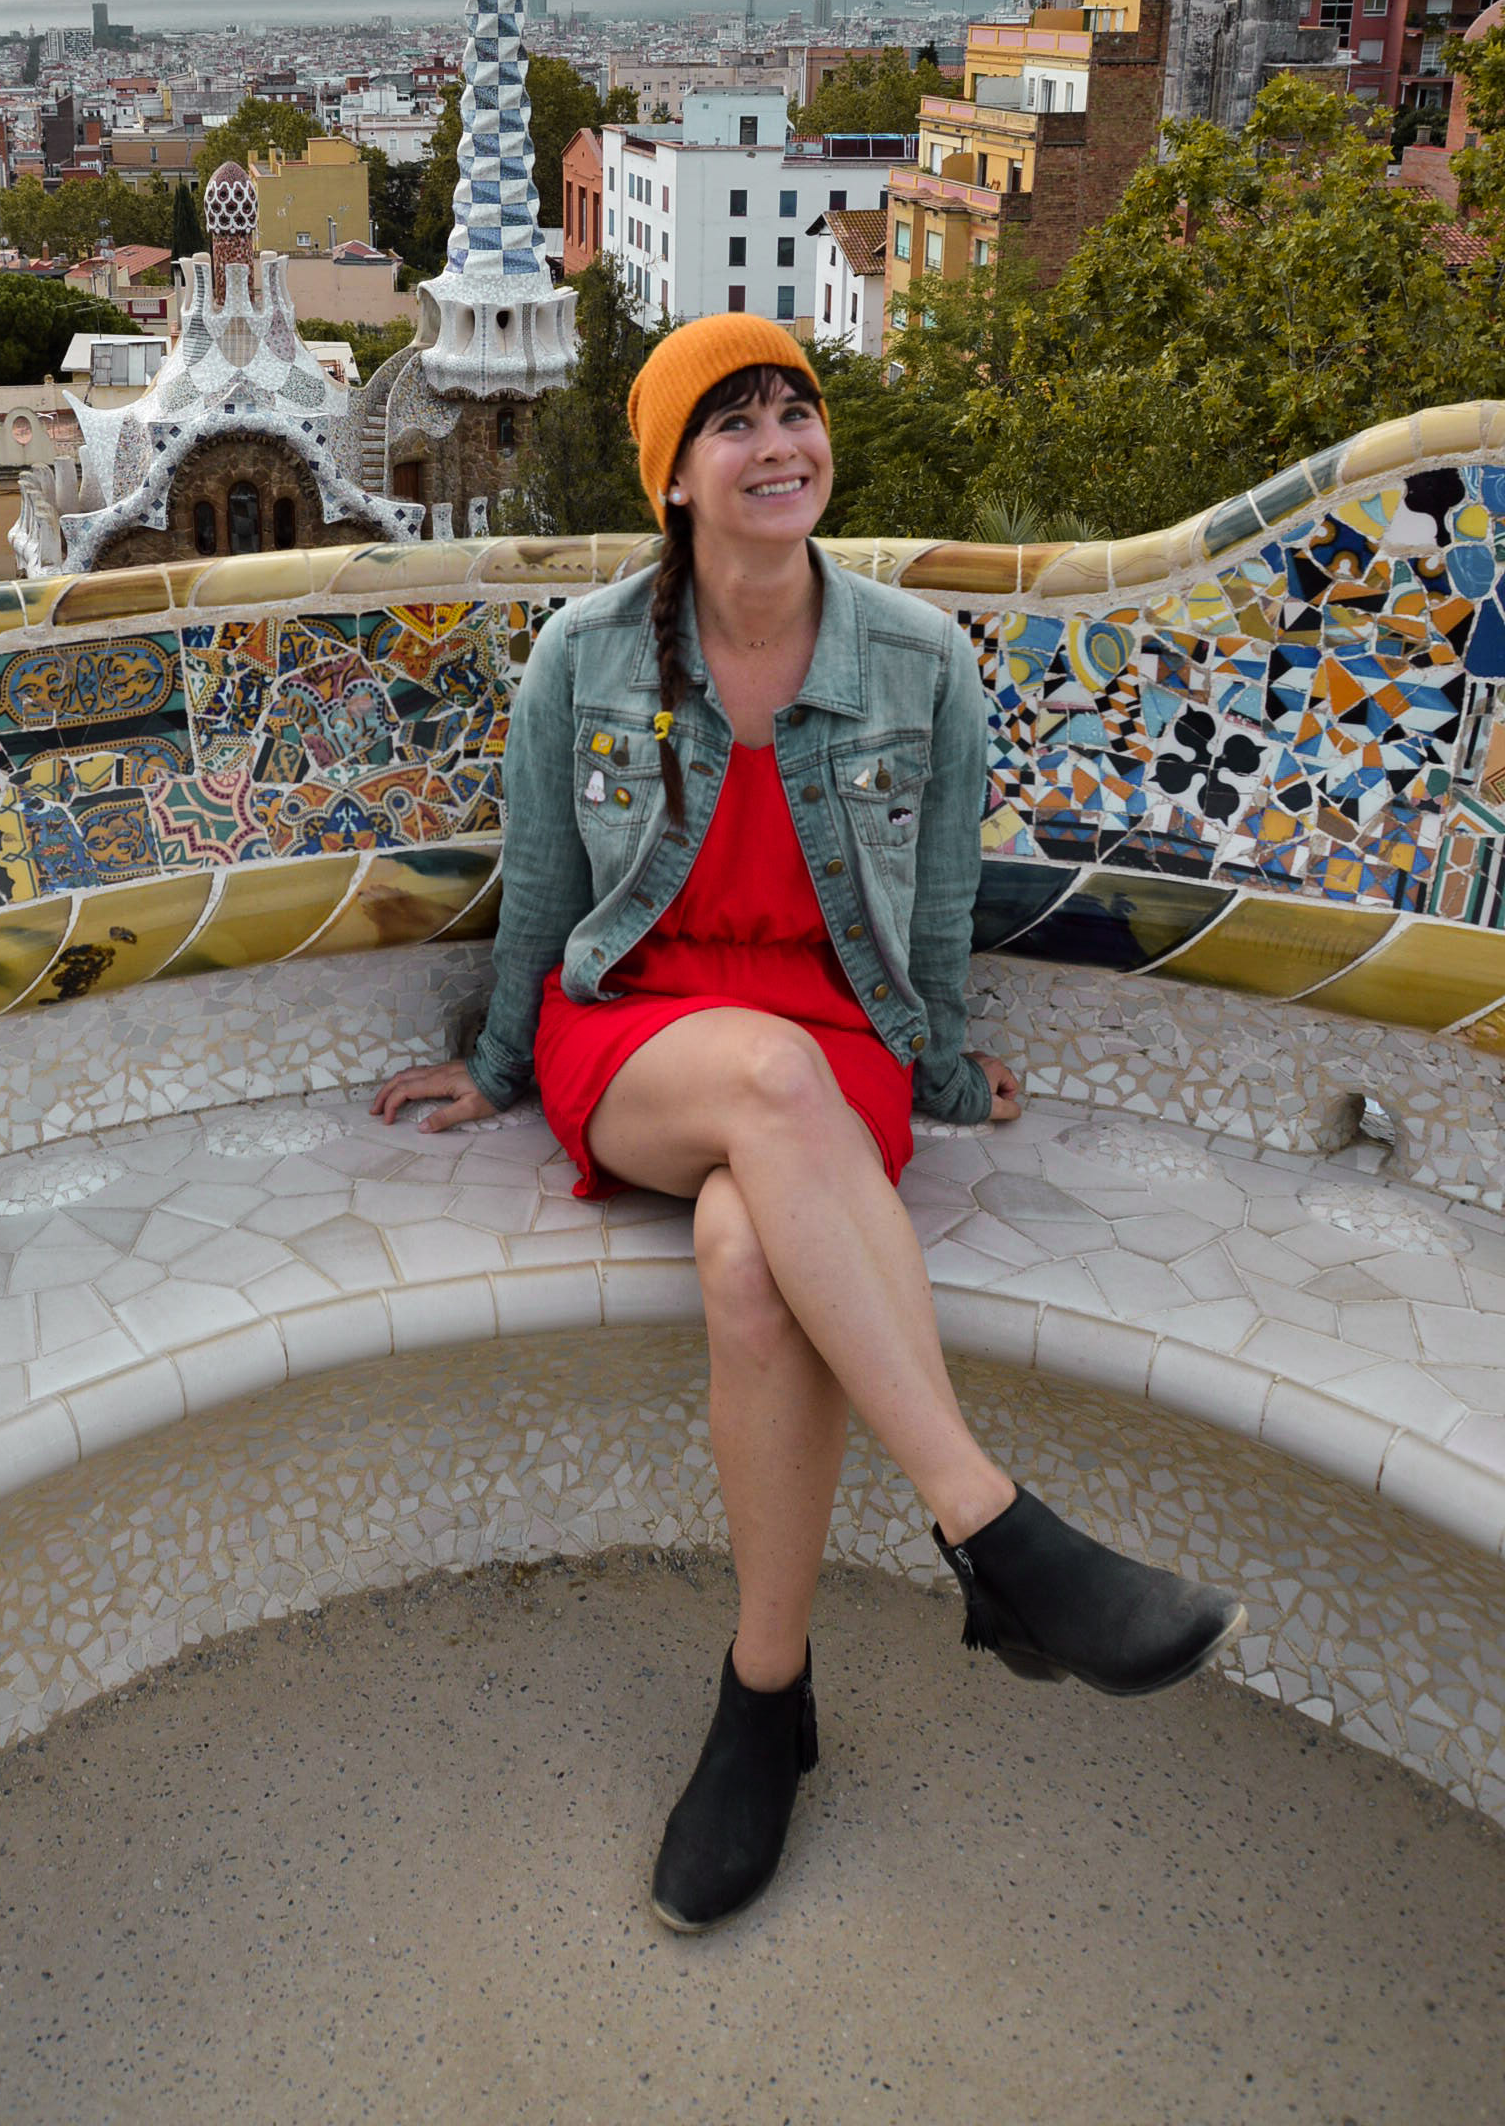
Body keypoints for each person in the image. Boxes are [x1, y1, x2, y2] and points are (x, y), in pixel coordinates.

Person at [373, 312, 1245, 1932]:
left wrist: (942, 1065)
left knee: (750, 1268)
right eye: (735, 423)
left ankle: (763, 1702)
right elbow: (547, 891)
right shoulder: (586, 658)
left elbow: (934, 907)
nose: (780, 445)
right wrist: (496, 1065)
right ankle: (996, 1532)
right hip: (641, 1035)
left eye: (797, 410)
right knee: (766, 1080)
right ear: (674, 478)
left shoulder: (916, 660)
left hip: (838, 1044)